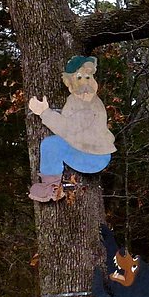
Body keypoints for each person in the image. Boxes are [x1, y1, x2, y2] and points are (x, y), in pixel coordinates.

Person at [27, 55, 116, 202]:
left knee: (51, 144)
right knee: (54, 144)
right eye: (79, 78)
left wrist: (44, 112)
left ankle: (51, 188)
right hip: (90, 152)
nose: (85, 83)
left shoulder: (90, 106)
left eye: (88, 77)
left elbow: (69, 127)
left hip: (94, 157)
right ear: (70, 83)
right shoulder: (76, 100)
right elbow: (72, 121)